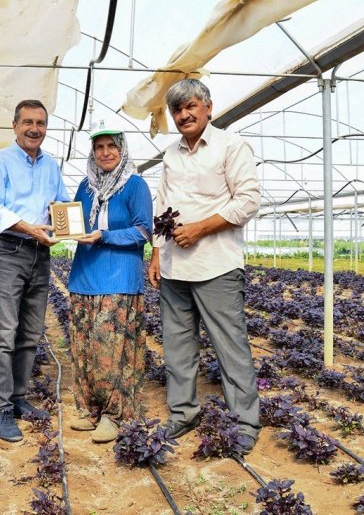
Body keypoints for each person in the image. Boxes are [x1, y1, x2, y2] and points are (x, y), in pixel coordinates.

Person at [147, 79, 261, 454]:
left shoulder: (231, 145)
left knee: (230, 347)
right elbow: (162, 205)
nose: (184, 115)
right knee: (177, 347)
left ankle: (244, 422)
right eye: (177, 110)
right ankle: (183, 413)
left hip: (217, 266)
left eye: (190, 106)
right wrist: (157, 251)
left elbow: (248, 201)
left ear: (208, 108)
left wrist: (200, 228)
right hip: (174, 268)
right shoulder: (171, 154)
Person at [0, 99, 69, 442]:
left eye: (40, 123)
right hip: (8, 251)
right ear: (15, 126)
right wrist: (30, 228)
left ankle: (18, 398)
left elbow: (61, 205)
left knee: (31, 333)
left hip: (39, 254)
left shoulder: (50, 166)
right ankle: (1, 408)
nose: (35, 129)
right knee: (4, 333)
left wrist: (65, 227)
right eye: (28, 122)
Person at [66, 124, 153, 443]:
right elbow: (74, 223)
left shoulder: (134, 185)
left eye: (111, 146)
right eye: (99, 147)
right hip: (83, 276)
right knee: (84, 349)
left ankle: (115, 415)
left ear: (122, 149)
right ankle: (92, 409)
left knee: (112, 351)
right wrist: (61, 229)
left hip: (119, 278)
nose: (105, 152)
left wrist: (104, 236)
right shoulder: (85, 187)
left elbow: (143, 231)